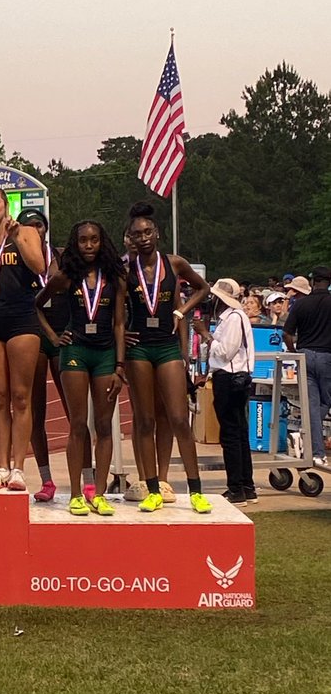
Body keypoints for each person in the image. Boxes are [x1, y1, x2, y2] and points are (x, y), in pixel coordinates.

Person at [123, 203, 212, 513]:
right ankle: (152, 489)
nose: (143, 238)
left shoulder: (174, 264)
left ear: (157, 234)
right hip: (138, 349)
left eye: (148, 232)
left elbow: (203, 288)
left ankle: (195, 489)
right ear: (130, 238)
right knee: (144, 420)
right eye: (137, 234)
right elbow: (111, 308)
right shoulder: (125, 268)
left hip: (166, 346)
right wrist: (119, 336)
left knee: (177, 418)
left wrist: (181, 311)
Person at [36, 220, 126, 516]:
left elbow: (119, 323)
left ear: (103, 242)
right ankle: (75, 493)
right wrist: (52, 335)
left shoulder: (114, 278)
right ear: (75, 244)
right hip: (75, 352)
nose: (89, 245)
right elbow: (37, 304)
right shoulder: (65, 277)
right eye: (83, 240)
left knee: (103, 425)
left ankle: (98, 494)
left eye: (94, 240)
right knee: (77, 423)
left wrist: (120, 365)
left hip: (105, 355)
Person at [19, 209, 94, 502]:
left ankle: (88, 480)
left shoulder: (64, 258)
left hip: (65, 337)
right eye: (28, 226)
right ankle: (47, 480)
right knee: (35, 413)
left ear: (46, 228)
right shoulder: (19, 260)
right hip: (34, 339)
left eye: (38, 225)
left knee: (75, 414)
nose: (34, 230)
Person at [0, 188, 44, 491]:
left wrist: (15, 237)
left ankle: (18, 467)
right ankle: (1, 465)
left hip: (22, 320)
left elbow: (39, 267)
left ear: (5, 205)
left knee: (21, 396)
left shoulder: (26, 231)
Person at [192, 278, 255, 505]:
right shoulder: (231, 318)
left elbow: (226, 352)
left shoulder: (234, 318)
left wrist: (205, 335)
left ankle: (236, 489)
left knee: (230, 434)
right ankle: (246, 487)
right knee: (238, 433)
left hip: (230, 378)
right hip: (233, 378)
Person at [283, 265, 331, 468]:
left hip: (304, 355)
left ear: (312, 282)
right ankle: (311, 440)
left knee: (312, 404)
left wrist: (293, 352)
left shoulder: (300, 304)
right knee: (325, 401)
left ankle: (316, 451)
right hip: (327, 355)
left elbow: (287, 333)